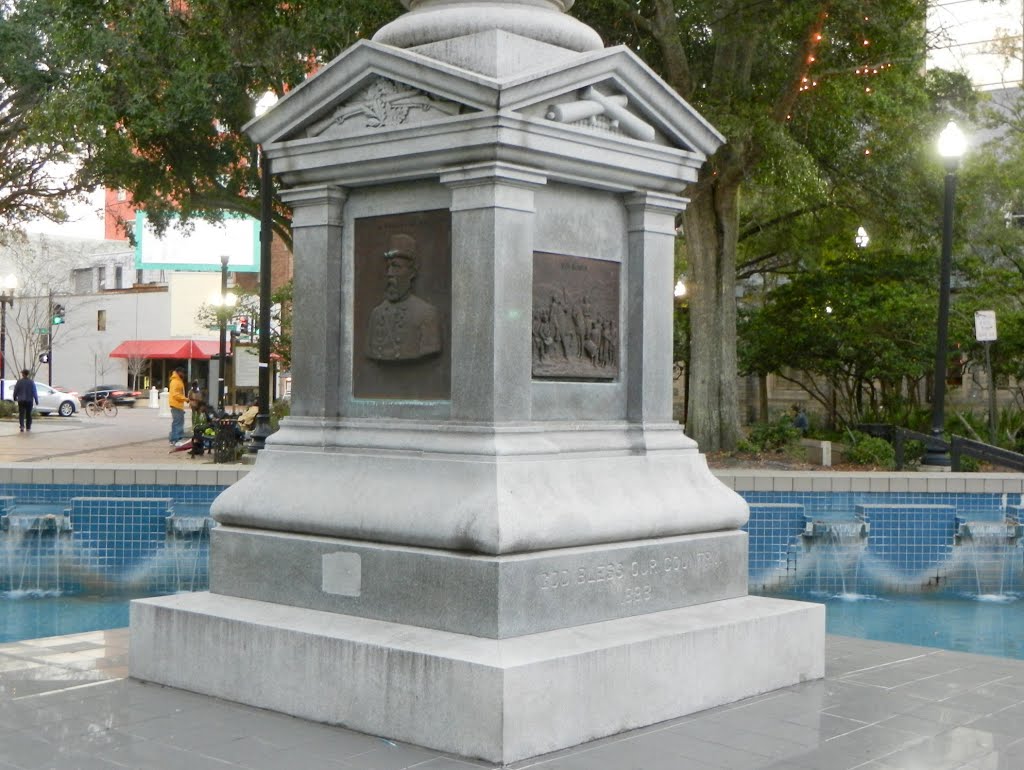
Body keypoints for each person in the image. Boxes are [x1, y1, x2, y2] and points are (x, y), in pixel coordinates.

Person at [365, 234, 442, 361]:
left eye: (396, 267)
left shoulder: (427, 314)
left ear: (412, 273)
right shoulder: (376, 314)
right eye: (388, 267)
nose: (389, 273)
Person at [168, 366, 187, 444]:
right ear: (179, 372)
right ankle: (176, 440)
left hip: (178, 405)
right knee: (178, 423)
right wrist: (185, 399)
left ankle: (174, 439)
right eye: (183, 373)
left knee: (178, 422)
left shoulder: (178, 380)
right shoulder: (175, 381)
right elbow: (175, 394)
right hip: (176, 405)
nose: (184, 374)